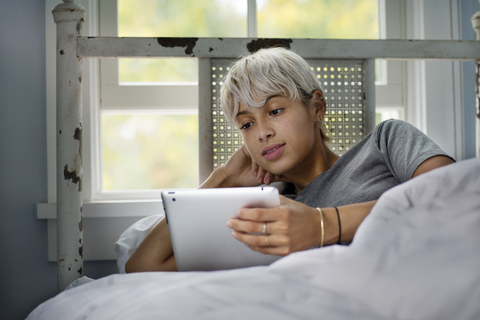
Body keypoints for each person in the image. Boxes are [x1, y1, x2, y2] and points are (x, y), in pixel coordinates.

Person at [124, 47, 454, 273]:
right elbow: (141, 269)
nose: (262, 132)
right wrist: (222, 179)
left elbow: (455, 196)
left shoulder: (385, 142)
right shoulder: (265, 214)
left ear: (316, 107)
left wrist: (323, 225)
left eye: (275, 110)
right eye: (247, 124)